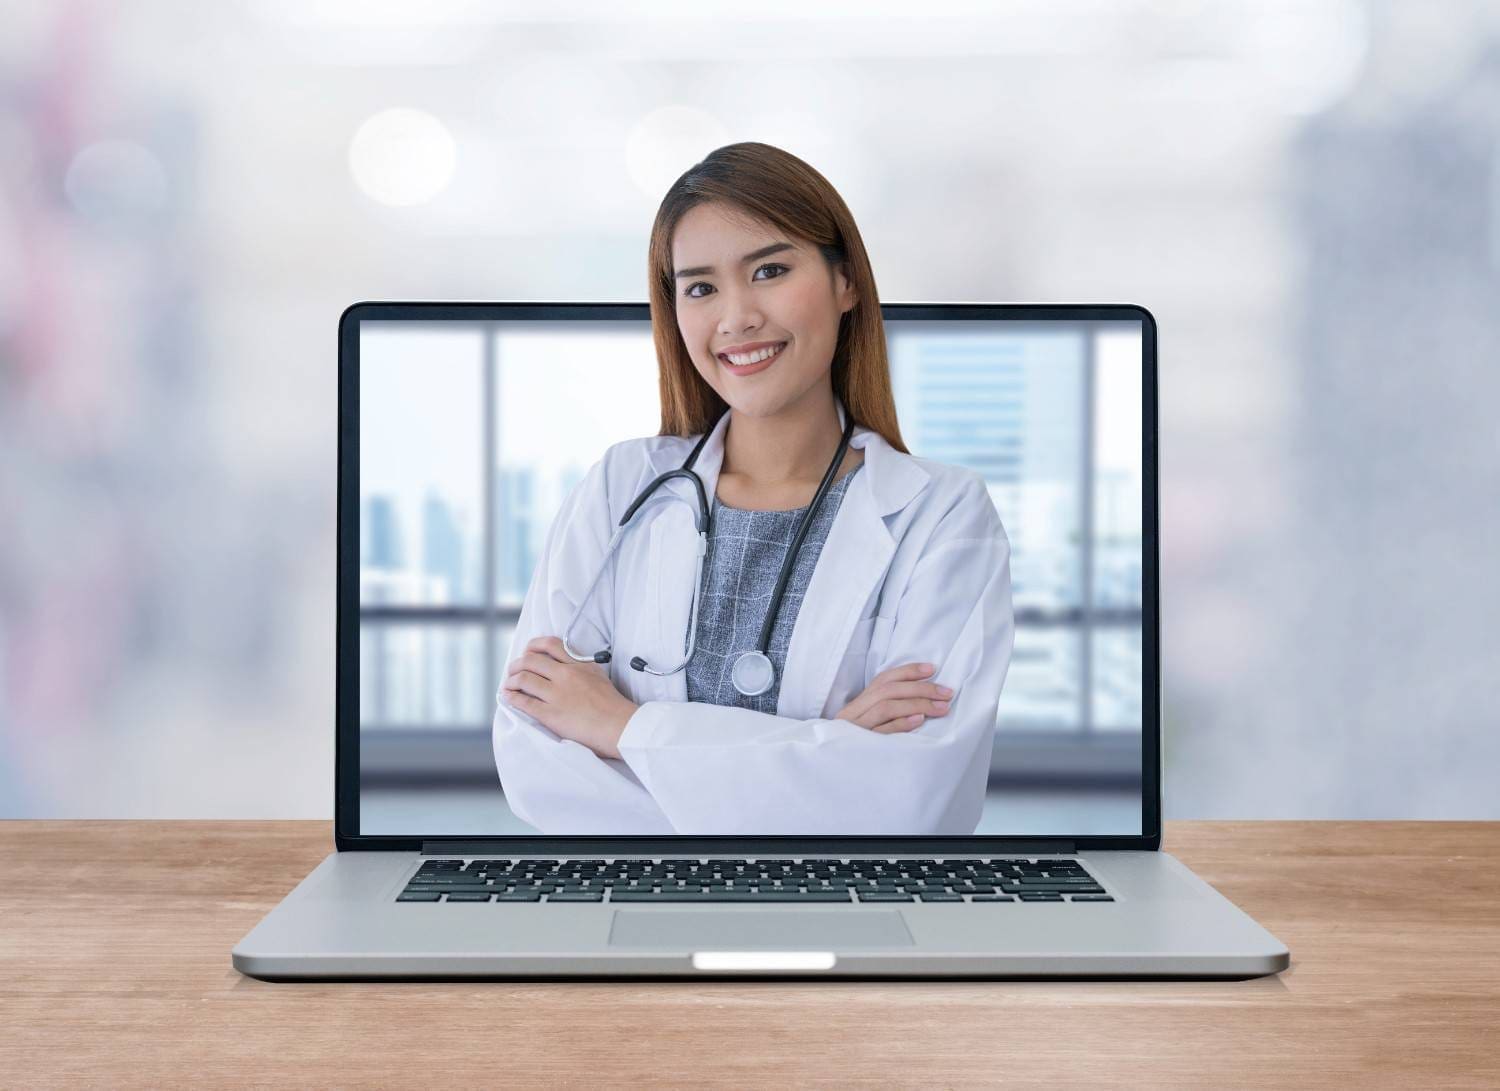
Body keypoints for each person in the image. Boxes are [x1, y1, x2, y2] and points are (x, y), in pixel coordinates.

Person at [493, 142, 1015, 835]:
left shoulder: (942, 514)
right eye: (701, 287)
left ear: (847, 281)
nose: (736, 317)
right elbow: (540, 769)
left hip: (850, 912)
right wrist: (828, 746)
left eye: (769, 270)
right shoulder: (622, 487)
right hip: (639, 904)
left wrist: (623, 728)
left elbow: (910, 802)